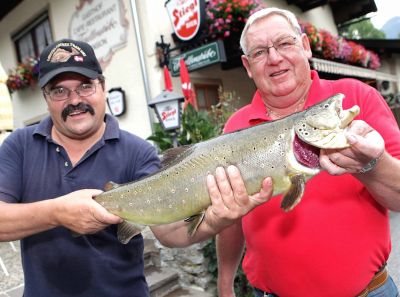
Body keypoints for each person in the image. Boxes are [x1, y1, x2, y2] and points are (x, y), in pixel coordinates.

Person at [0, 38, 272, 297]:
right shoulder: (20, 145)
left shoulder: (137, 152)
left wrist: (217, 219)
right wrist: (57, 213)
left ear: (103, 87)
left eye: (85, 85)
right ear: (46, 98)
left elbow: (169, 231)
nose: (74, 100)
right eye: (59, 90)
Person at [216, 7, 400, 297]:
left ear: (305, 46)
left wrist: (371, 165)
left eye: (285, 43)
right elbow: (231, 217)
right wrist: (225, 281)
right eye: (260, 52)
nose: (274, 58)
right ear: (248, 66)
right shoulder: (235, 128)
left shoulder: (355, 97)